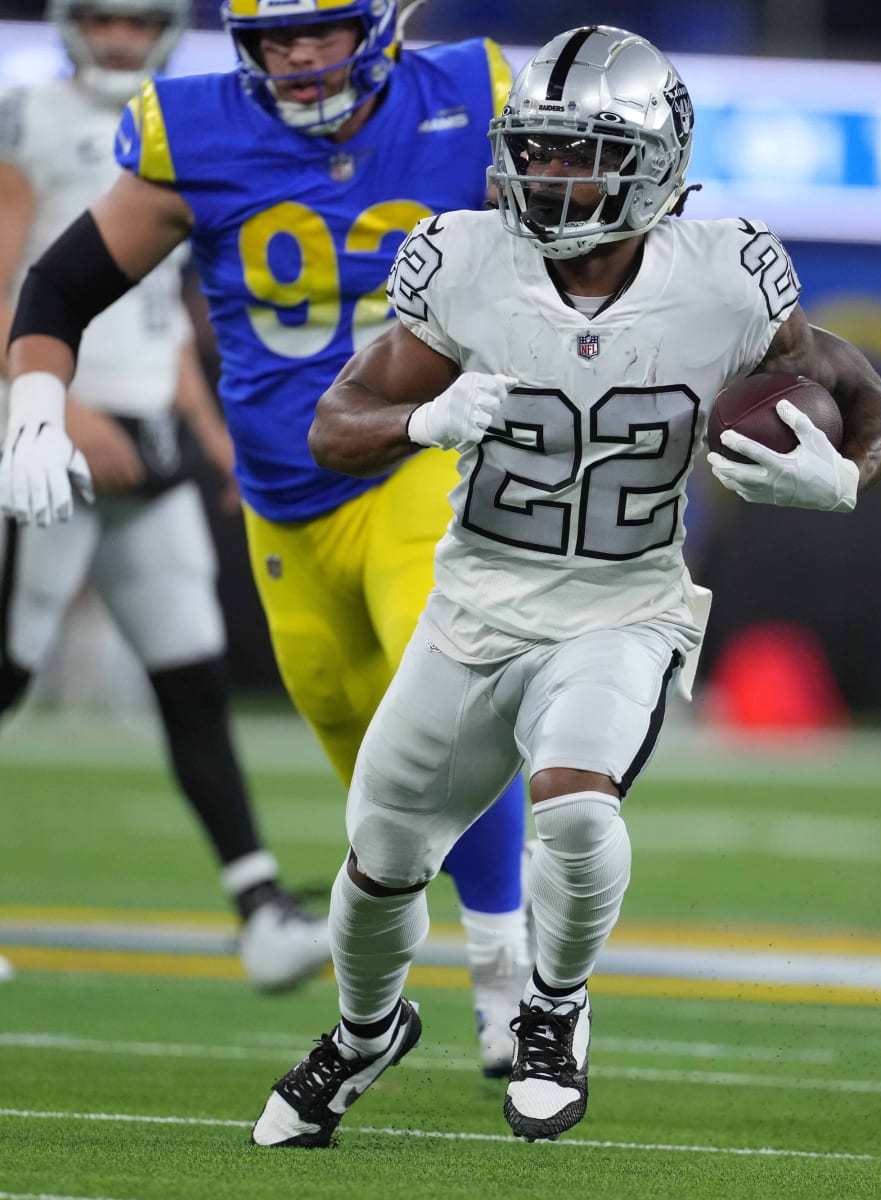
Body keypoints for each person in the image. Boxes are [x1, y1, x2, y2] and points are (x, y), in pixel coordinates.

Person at [247, 24, 881, 1146]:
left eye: (579, 151)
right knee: (380, 861)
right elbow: (331, 426)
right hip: (474, 604)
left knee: (578, 806)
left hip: (623, 604)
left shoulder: (725, 274)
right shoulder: (463, 258)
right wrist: (423, 419)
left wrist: (846, 473)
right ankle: (365, 1035)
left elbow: (863, 389)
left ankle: (553, 1011)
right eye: (536, 149)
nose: (547, 175)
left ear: (655, 161)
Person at [0, 0, 532, 1071]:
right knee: (380, 783)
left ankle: (510, 981)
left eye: (321, 31)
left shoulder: (471, 97)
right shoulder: (192, 132)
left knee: (450, 692)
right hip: (290, 499)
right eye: (273, 39)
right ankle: (378, 1008)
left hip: (422, 457)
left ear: (378, 26)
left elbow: (588, 236)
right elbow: (58, 287)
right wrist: (34, 412)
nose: (297, 56)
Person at [0, 0, 329, 990]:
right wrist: (51, 411)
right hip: (56, 443)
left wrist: (211, 434)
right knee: (7, 678)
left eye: (136, 20)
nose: (116, 37)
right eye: (99, 17)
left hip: (150, 445)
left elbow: (162, 315)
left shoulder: (179, 122)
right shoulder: (32, 115)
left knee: (192, 677)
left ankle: (260, 904)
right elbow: (11, 284)